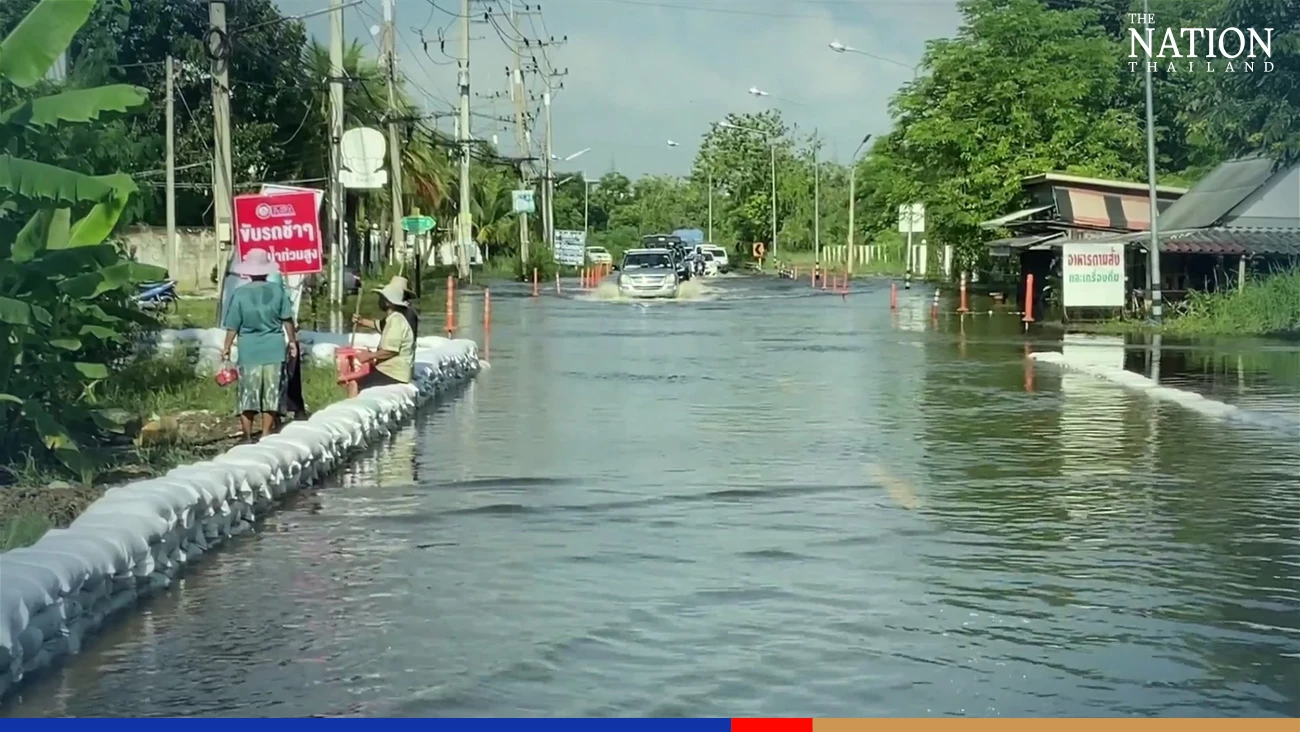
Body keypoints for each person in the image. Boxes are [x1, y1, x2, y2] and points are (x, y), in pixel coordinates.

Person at [219, 249, 297, 443]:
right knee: (272, 394)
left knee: (248, 394)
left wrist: (226, 347)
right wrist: (293, 342)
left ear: (248, 271)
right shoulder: (278, 291)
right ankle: (265, 433)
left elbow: (232, 326)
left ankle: (246, 436)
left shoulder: (240, 294)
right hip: (274, 349)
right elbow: (287, 320)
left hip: (249, 351)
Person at [347, 278, 416, 397]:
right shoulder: (397, 317)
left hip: (393, 373)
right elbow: (380, 325)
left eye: (382, 299)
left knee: (355, 384)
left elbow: (391, 351)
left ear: (388, 302)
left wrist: (368, 356)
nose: (379, 301)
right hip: (392, 370)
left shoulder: (397, 321)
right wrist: (361, 321)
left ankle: (350, 410)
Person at [267, 269, 309, 422]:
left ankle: (277, 414)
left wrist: (291, 341)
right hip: (283, 342)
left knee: (278, 380)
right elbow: (290, 322)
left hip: (277, 343)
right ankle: (294, 410)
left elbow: (288, 322)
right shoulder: (283, 297)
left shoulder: (271, 299)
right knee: (289, 378)